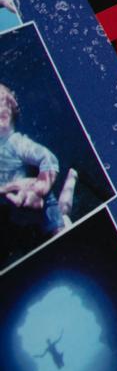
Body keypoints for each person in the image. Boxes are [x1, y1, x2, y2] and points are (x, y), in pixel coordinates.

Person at [1, 82, 61, 251]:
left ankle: (61, 228)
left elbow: (48, 158)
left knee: (55, 218)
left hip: (36, 205)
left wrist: (40, 187)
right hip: (13, 213)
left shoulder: (15, 142)